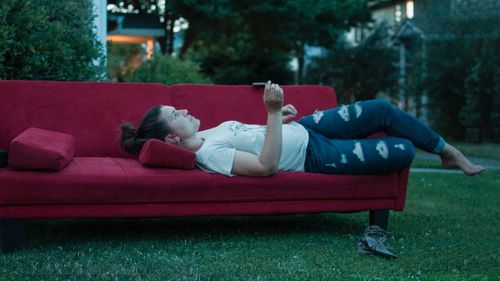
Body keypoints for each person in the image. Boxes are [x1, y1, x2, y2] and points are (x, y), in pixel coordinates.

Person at [120, 81, 485, 177]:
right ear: (171, 137)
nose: (184, 109)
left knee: (382, 109)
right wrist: (274, 114)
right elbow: (266, 166)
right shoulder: (209, 155)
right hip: (313, 155)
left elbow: (261, 136)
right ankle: (425, 148)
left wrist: (280, 116)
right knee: (402, 151)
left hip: (308, 129)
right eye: (176, 114)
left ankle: (446, 151)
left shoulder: (208, 133)